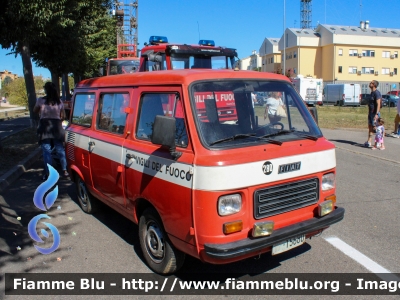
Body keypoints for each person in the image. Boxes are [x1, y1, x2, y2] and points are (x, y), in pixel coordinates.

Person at [34, 82, 69, 180]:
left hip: (44, 127)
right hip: (57, 127)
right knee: (60, 149)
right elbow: (63, 116)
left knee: (46, 151)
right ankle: (65, 170)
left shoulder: (40, 100)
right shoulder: (59, 102)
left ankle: (48, 173)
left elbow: (35, 111)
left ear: (46, 90)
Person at [365, 80, 382, 147]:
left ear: (374, 85)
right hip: (370, 112)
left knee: (376, 128)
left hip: (375, 113)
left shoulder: (377, 93)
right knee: (370, 127)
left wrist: (377, 114)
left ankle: (379, 142)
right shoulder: (372, 93)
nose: (370, 83)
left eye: (371, 83)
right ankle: (369, 141)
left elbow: (378, 104)